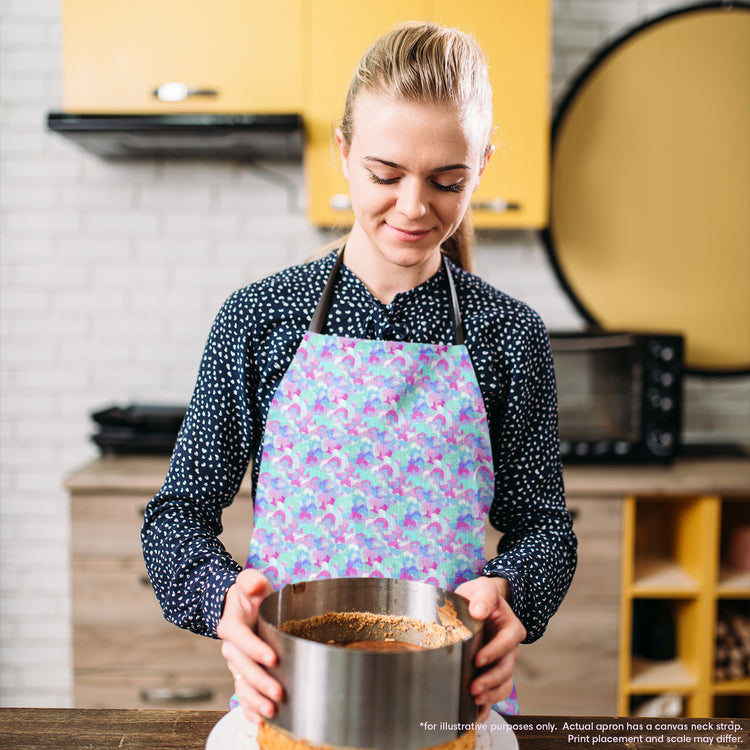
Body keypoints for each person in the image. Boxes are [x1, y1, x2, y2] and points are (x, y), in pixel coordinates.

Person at [141, 20, 577, 725]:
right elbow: (175, 518)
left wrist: (515, 596)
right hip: (292, 699)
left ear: (483, 167)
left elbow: (545, 530)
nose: (413, 206)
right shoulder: (261, 317)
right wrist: (225, 602)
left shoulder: (509, 336)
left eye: (447, 181)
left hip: (448, 703)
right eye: (385, 174)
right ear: (342, 154)